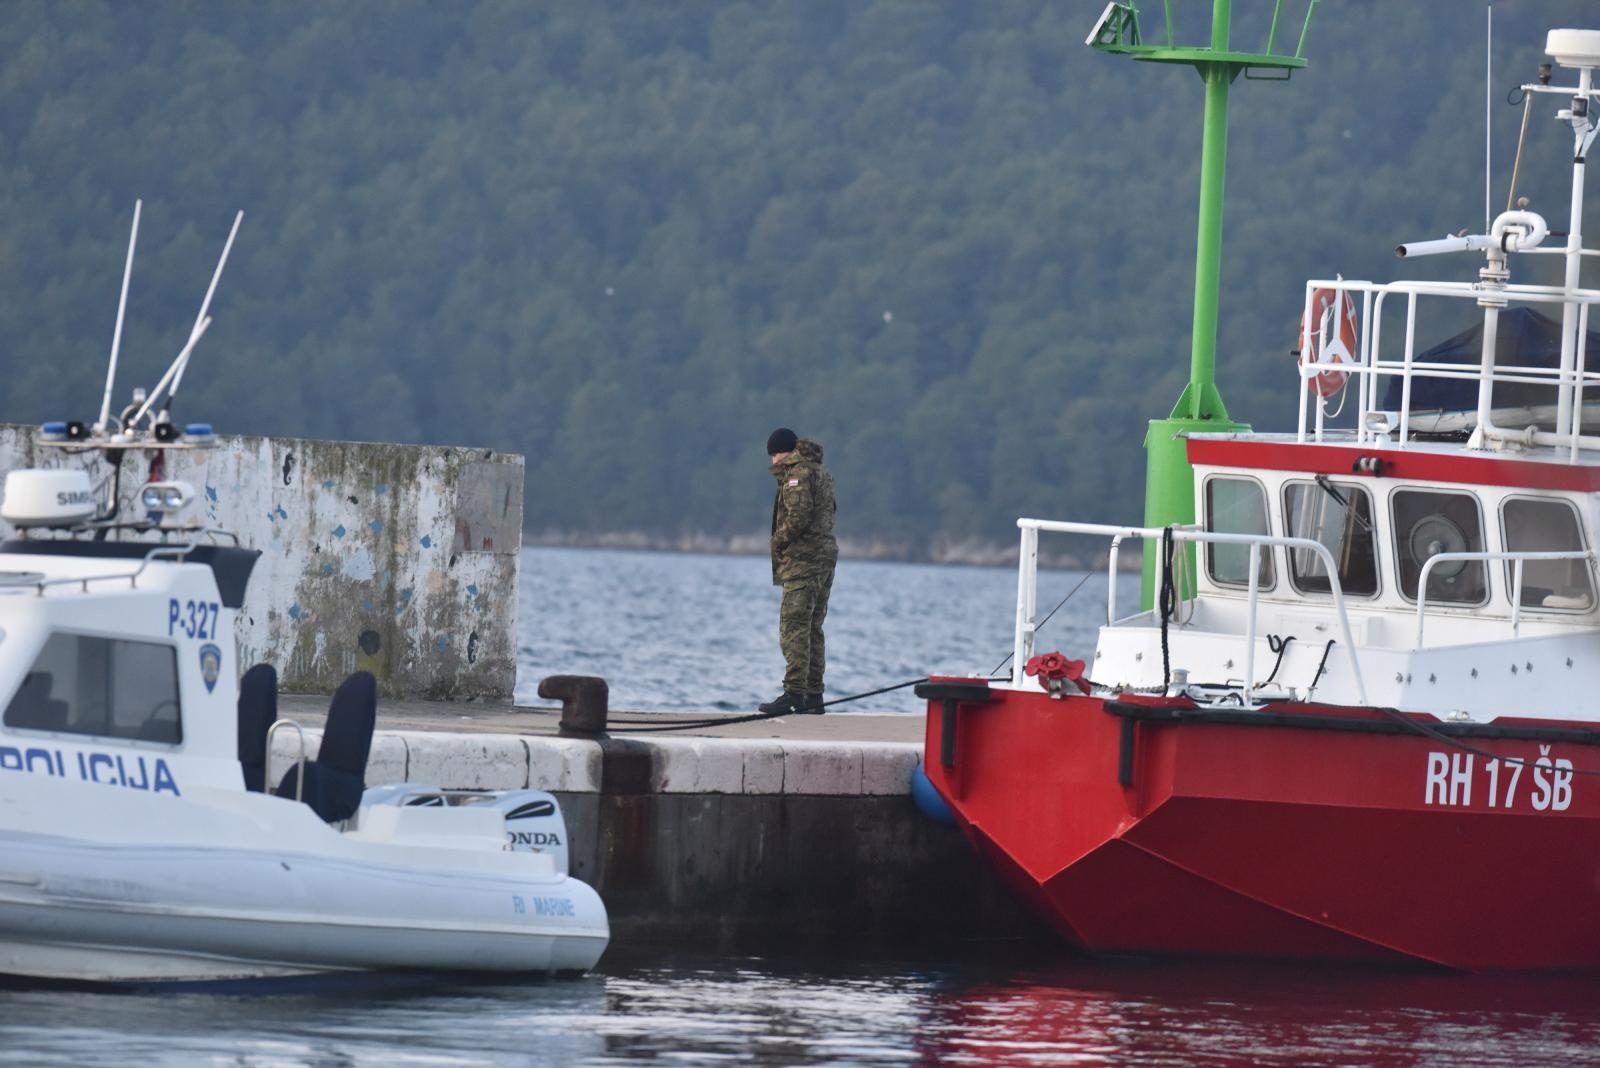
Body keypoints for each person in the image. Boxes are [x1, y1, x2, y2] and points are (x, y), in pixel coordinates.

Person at [758, 426, 837, 716]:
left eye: (775, 455)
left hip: (804, 561)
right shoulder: (821, 471)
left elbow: (799, 516)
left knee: (793, 627)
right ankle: (813, 696)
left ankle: (793, 693)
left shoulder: (798, 474)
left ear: (784, 452)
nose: (774, 462)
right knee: (813, 628)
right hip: (824, 559)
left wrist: (777, 540)